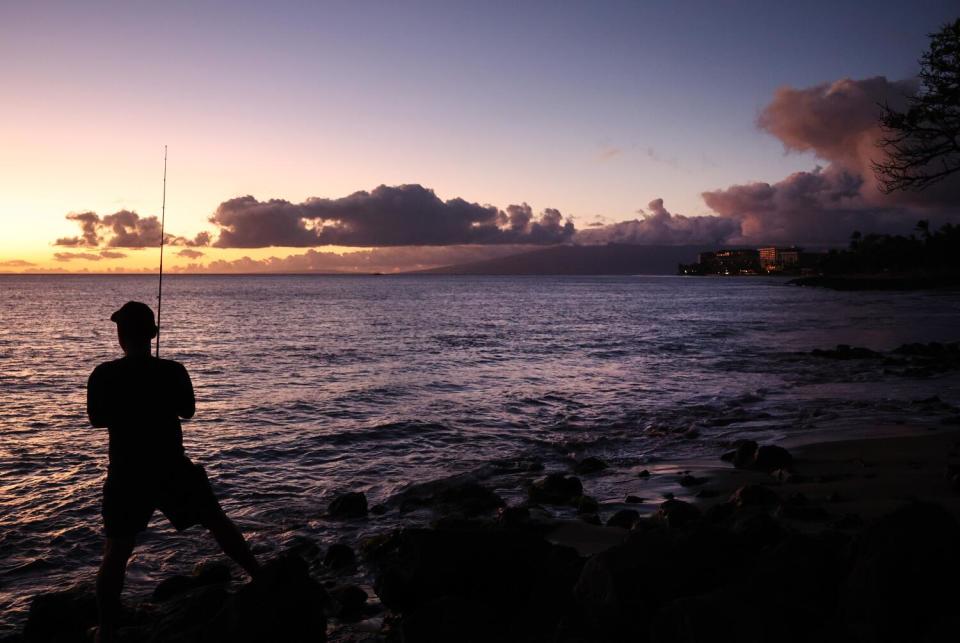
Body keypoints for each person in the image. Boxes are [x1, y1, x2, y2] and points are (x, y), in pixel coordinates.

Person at [87, 301, 261, 642]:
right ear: (153, 334)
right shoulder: (173, 370)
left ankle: (106, 629)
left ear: (121, 336)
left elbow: (97, 419)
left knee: (116, 551)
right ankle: (260, 577)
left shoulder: (104, 374)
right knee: (217, 522)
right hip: (171, 467)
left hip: (126, 473)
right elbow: (188, 411)